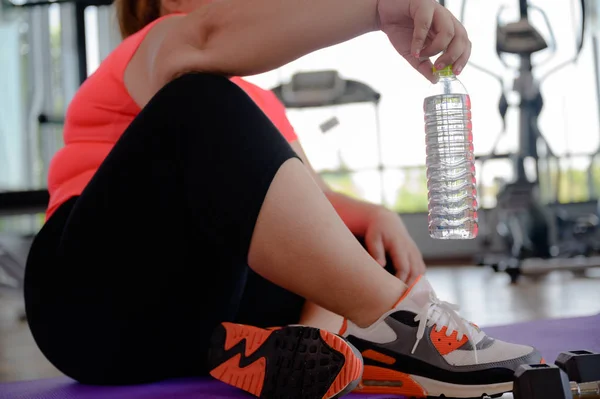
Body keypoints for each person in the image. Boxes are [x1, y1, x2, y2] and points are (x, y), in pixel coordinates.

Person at [23, 0, 543, 398]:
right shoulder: (153, 53)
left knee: (353, 241)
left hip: (192, 326)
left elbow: (304, 204)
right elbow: (204, 39)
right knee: (197, 98)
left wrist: (374, 216)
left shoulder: (256, 102)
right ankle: (401, 328)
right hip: (90, 304)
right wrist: (379, 8)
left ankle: (319, 348)